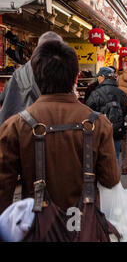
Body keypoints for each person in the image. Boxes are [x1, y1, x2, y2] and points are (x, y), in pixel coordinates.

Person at [0, 40, 120, 215]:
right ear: (75, 77)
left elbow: (3, 190)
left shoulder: (15, 126)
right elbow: (110, 179)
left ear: (36, 77)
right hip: (84, 224)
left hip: (37, 225)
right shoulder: (98, 123)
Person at [0, 31, 63, 125]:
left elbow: (3, 98)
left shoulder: (19, 73)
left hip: (21, 125)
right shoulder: (61, 72)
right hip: (49, 126)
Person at [86, 67, 127, 166]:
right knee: (115, 155)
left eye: (99, 76)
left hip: (100, 130)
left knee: (99, 157)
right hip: (117, 129)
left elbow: (89, 110)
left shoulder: (96, 93)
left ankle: (102, 179)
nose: (98, 79)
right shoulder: (121, 93)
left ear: (102, 77)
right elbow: (125, 109)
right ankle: (114, 179)